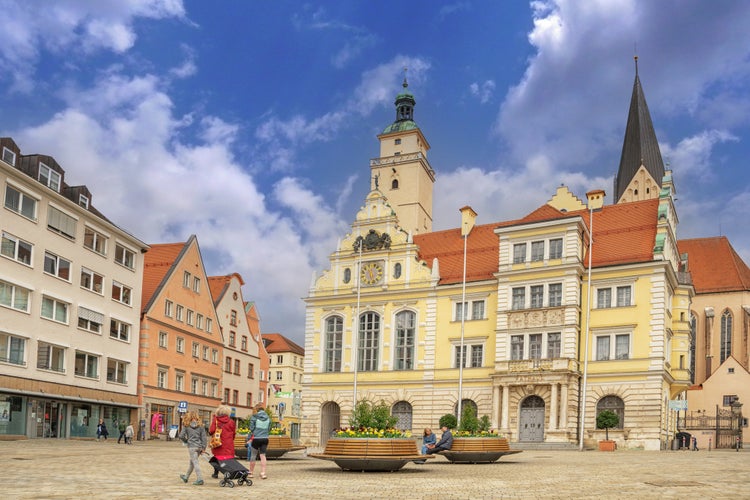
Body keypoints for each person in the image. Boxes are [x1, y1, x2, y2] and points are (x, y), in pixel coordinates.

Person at [179, 411, 207, 486]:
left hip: (192, 447)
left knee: (195, 463)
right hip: (199, 447)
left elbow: (181, 436)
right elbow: (204, 438)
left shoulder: (186, 425)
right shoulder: (201, 426)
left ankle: (200, 479)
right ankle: (186, 477)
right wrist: (203, 447)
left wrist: (186, 441)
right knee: (192, 462)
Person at [209, 405, 237, 479]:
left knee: (217, 457)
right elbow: (234, 433)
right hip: (228, 443)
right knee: (228, 458)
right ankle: (228, 472)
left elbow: (211, 431)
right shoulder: (231, 422)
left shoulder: (216, 420)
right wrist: (231, 440)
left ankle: (216, 473)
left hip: (218, 443)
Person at [248, 404, 271, 479]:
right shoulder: (268, 418)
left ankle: (251, 473)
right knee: (263, 455)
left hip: (256, 438)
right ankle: (263, 473)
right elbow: (269, 429)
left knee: (253, 455)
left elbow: (251, 428)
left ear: (257, 410)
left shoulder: (254, 417)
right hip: (265, 438)